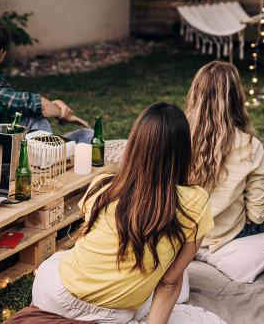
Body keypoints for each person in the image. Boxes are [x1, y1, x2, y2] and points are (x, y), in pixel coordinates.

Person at [31, 102, 213, 323]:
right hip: (113, 315)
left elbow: (89, 241)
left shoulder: (103, 186)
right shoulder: (196, 202)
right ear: (184, 150)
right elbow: (168, 283)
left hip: (54, 296)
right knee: (173, 276)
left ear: (135, 145)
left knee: (60, 259)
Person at [0, 20, 92, 143]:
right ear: (1, 53)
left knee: (87, 135)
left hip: (3, 140)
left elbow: (19, 102)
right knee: (37, 121)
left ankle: (59, 150)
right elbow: (34, 104)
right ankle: (52, 158)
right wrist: (62, 113)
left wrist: (55, 106)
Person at [186, 61, 264, 251]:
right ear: (236, 97)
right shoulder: (250, 146)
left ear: (195, 94)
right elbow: (257, 214)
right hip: (228, 236)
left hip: (183, 234)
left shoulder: (175, 135)